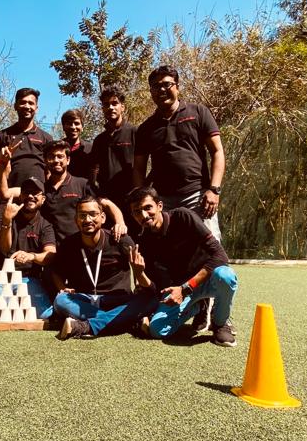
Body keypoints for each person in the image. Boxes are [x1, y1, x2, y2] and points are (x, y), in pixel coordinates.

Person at [133, 66, 227, 332]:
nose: (162, 89)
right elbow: (138, 168)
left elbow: (217, 152)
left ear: (177, 86)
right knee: (174, 258)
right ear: (151, 92)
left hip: (198, 195)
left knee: (211, 253)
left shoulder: (198, 112)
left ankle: (220, 314)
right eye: (156, 86)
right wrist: (141, 202)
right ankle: (194, 306)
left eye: (167, 84)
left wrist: (214, 189)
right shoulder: (146, 128)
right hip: (164, 203)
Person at [127, 187, 238, 347]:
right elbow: (155, 288)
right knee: (157, 330)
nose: (144, 215)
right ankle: (199, 306)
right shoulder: (143, 241)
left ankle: (220, 324)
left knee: (226, 276)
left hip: (205, 280)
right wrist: (139, 273)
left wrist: (186, 288)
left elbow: (220, 256)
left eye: (148, 207)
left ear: (159, 206)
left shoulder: (183, 216)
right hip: (181, 290)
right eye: (137, 212)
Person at [52, 195, 156, 340]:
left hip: (118, 299)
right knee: (61, 300)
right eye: (82, 215)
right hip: (85, 300)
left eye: (93, 214)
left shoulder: (119, 240)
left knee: (149, 299)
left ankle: (86, 326)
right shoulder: (68, 244)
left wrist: (139, 279)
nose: (88, 220)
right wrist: (62, 287)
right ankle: (127, 322)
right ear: (76, 220)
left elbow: (140, 266)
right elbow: (56, 272)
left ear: (103, 218)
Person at [0, 139, 127, 243]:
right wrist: (3, 163)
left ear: (68, 160)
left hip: (79, 247)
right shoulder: (39, 189)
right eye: (51, 157)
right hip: (51, 250)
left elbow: (107, 204)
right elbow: (4, 193)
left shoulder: (83, 184)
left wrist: (120, 223)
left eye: (60, 156)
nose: (56, 160)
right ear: (45, 161)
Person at [0, 176, 56, 319]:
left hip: (28, 279)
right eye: (26, 192)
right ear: (21, 196)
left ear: (43, 199)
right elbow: (4, 248)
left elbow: (50, 254)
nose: (30, 196)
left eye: (35, 193)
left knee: (45, 314)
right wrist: (7, 221)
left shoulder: (45, 225)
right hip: (2, 278)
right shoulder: (7, 215)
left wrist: (31, 256)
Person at [90, 85, 139, 235]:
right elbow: (93, 170)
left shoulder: (134, 133)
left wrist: (140, 191)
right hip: (107, 201)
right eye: (106, 104)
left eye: (114, 103)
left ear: (122, 107)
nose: (110, 107)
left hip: (132, 200)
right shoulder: (99, 140)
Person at [0, 87, 54, 189]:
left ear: (36, 108)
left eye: (31, 103)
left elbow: (50, 171)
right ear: (15, 106)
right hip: (8, 192)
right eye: (23, 102)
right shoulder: (2, 135)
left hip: (37, 193)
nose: (27, 106)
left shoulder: (46, 138)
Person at [60, 108, 91, 178]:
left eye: (76, 123)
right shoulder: (57, 148)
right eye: (69, 123)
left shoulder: (90, 149)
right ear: (63, 127)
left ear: (82, 127)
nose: (73, 127)